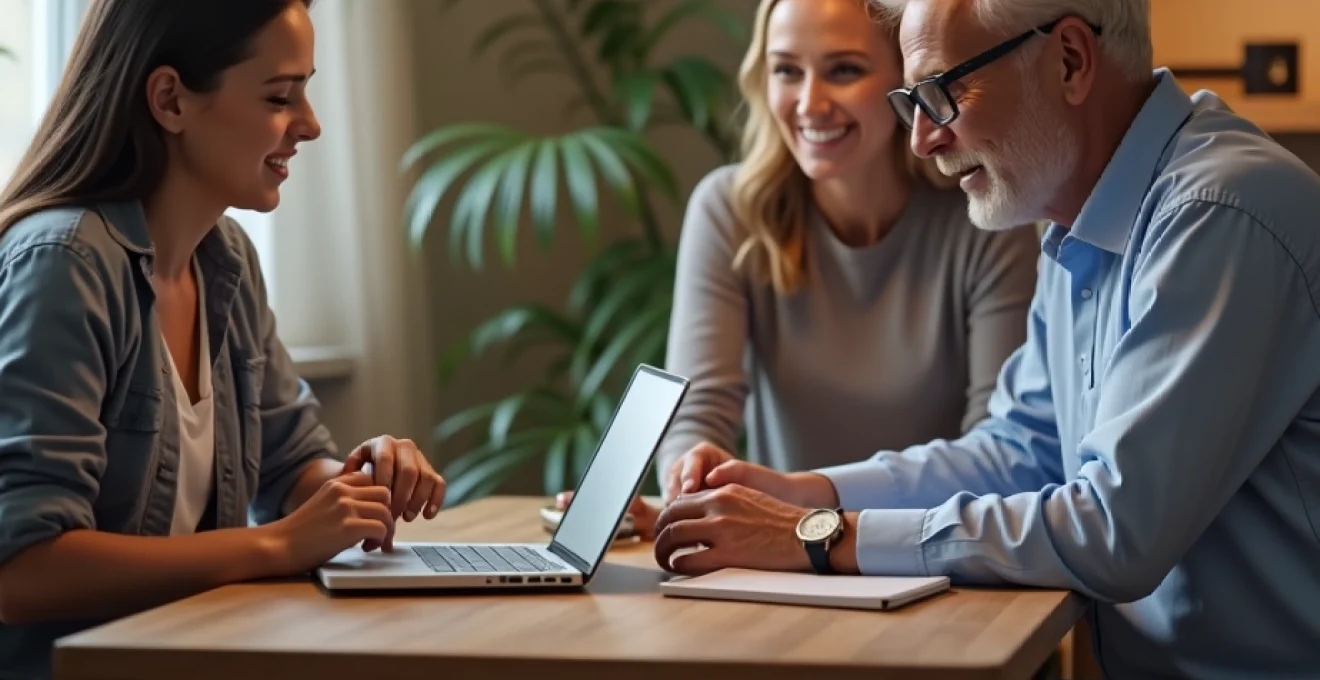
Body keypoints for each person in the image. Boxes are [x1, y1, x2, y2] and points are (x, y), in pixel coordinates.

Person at [651, 0, 1320, 677]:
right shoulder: (1082, 219)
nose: (921, 138)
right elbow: (1017, 453)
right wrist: (805, 494)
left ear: (1069, 60)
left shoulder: (1217, 217)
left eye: (942, 92)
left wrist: (815, 537)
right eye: (911, 100)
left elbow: (1113, 534)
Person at [0, 2, 445, 678]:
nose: (312, 124)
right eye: (279, 96)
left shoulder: (225, 257)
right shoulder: (65, 264)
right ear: (171, 100)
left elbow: (289, 464)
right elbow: (23, 571)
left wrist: (358, 481)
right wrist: (277, 545)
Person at [557, 0, 1040, 532]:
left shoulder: (986, 217)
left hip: (936, 551)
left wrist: (818, 527)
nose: (810, 104)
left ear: (908, 79)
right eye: (786, 70)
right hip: (780, 552)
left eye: (844, 71)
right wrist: (692, 483)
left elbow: (998, 453)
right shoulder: (730, 211)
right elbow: (701, 416)